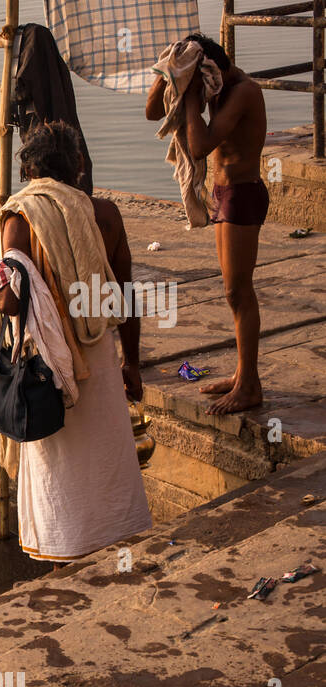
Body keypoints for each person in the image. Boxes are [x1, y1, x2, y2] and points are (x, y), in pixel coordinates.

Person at [0, 119, 152, 563]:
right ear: (78, 166)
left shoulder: (18, 219)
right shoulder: (103, 215)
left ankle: (66, 553)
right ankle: (115, 543)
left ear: (29, 172)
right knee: (105, 458)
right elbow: (124, 294)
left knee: (62, 468)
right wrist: (133, 363)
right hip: (100, 355)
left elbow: (11, 301)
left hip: (50, 366)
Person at [146, 32, 267, 414]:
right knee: (233, 291)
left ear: (213, 72)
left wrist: (194, 96)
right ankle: (242, 373)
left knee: (238, 292)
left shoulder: (244, 91)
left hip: (243, 195)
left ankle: (249, 385)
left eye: (197, 77)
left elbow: (200, 147)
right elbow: (153, 111)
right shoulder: (212, 85)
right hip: (223, 196)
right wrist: (169, 71)